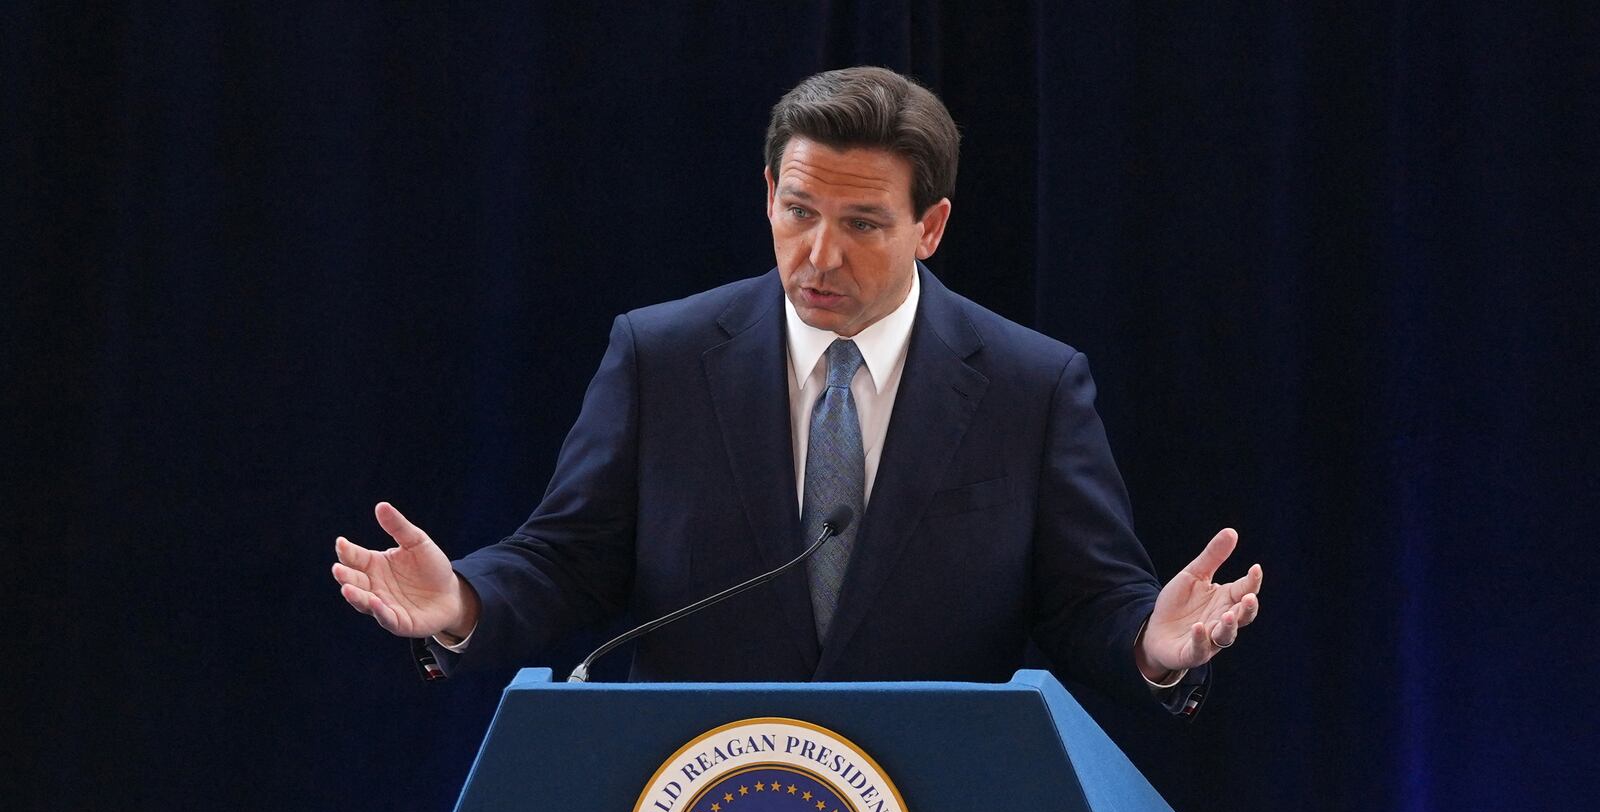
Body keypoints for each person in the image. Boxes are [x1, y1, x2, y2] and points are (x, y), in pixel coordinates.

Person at [331, 67, 1261, 716]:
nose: (819, 255)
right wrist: (460, 601)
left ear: (930, 226)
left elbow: (1086, 601)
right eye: (799, 211)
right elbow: (571, 560)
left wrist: (1150, 645)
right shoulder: (662, 355)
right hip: (694, 801)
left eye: (863, 223)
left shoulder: (1032, 384)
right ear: (770, 190)